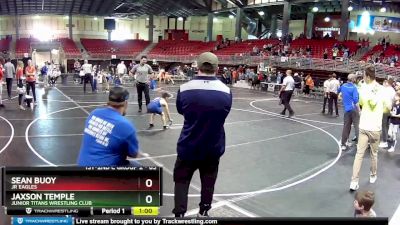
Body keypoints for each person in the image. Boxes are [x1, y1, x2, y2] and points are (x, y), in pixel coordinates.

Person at [173, 52, 232, 217]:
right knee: (208, 181)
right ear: (217, 68)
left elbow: (180, 110)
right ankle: (204, 211)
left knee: (181, 180)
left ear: (197, 67)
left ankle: (179, 214)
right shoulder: (226, 91)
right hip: (212, 147)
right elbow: (224, 113)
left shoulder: (184, 89)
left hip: (188, 145)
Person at [350, 66, 391, 191]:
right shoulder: (382, 90)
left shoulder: (362, 88)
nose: (362, 77)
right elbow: (388, 107)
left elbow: (359, 103)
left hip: (364, 126)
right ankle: (373, 175)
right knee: (374, 154)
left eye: (363, 75)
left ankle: (354, 181)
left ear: (367, 76)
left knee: (359, 154)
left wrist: (363, 110)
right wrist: (380, 110)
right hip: (375, 128)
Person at [77, 86, 140, 167]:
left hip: (82, 165)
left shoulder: (94, 113)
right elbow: (134, 154)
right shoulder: (125, 126)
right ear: (126, 103)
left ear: (109, 101)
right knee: (138, 167)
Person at [338, 74, 360, 151]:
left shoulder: (343, 86)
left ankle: (344, 143)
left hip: (347, 109)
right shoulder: (354, 88)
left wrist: (342, 97)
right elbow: (356, 100)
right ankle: (359, 144)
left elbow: (338, 92)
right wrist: (359, 111)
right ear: (353, 79)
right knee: (357, 126)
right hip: (354, 109)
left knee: (346, 126)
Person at [379, 79, 395, 149]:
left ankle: (384, 141)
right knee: (386, 125)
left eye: (385, 82)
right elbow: (393, 100)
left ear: (387, 83)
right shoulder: (393, 91)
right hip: (390, 109)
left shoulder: (385, 90)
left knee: (384, 126)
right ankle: (387, 137)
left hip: (385, 109)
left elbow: (382, 99)